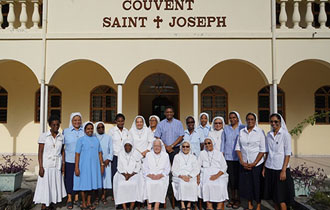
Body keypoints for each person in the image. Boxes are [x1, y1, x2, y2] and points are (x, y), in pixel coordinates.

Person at [33, 115, 67, 210]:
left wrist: (63, 164)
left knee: (54, 185)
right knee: (45, 185)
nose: (55, 126)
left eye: (57, 124)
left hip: (57, 165)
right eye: (53, 125)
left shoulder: (61, 137)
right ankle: (44, 205)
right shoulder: (44, 136)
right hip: (46, 165)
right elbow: (40, 152)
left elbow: (62, 151)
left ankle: (51, 203)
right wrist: (40, 167)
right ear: (50, 125)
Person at [263, 113, 294, 210]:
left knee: (281, 198)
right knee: (274, 197)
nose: (273, 123)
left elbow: (287, 153)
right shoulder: (269, 135)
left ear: (280, 122)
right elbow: (267, 152)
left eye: (276, 121)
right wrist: (264, 167)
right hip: (270, 168)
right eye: (271, 121)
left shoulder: (285, 135)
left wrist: (284, 170)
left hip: (280, 169)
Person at [235, 113, 266, 210]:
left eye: (252, 119)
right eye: (248, 119)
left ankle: (258, 205)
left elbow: (263, 150)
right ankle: (249, 204)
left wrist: (255, 163)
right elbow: (238, 148)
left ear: (255, 120)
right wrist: (242, 161)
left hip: (256, 164)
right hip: (245, 163)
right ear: (246, 120)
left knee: (257, 185)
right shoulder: (241, 132)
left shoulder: (260, 132)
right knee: (247, 185)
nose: (250, 121)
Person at [73, 122, 104, 210]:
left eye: (91, 129)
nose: (90, 130)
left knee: (91, 185)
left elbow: (99, 153)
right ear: (85, 130)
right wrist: (76, 167)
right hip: (84, 166)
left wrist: (101, 164)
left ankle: (89, 202)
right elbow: (77, 154)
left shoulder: (96, 139)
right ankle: (83, 203)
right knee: (84, 185)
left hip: (94, 166)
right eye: (88, 129)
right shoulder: (81, 140)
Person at [220, 111, 245, 209]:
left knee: (238, 180)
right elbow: (223, 142)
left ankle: (238, 200)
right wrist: (222, 154)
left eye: (234, 117)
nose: (232, 119)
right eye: (230, 118)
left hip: (239, 158)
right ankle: (232, 198)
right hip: (228, 157)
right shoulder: (226, 129)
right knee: (231, 180)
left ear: (238, 118)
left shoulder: (242, 128)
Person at [113, 139, 144, 210]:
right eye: (125, 146)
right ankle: (124, 207)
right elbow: (119, 166)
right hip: (122, 173)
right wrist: (124, 174)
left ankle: (131, 207)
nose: (127, 147)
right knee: (121, 184)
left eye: (129, 146)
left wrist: (130, 175)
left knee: (134, 184)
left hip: (134, 174)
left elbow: (138, 166)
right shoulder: (120, 153)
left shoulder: (136, 153)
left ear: (132, 146)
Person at [198, 137, 228, 210]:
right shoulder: (202, 153)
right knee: (206, 184)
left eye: (209, 143)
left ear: (212, 143)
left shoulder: (219, 153)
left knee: (221, 184)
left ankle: (219, 206)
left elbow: (224, 166)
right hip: (205, 172)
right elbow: (197, 166)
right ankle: (209, 206)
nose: (207, 145)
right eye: (205, 143)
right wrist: (198, 177)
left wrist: (216, 176)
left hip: (218, 173)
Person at [63, 112, 84, 209]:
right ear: (71, 121)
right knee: (69, 179)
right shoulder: (66, 131)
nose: (77, 122)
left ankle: (77, 198)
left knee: (79, 179)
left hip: (81, 160)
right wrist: (63, 162)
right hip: (69, 159)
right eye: (75, 120)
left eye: (79, 120)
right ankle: (69, 198)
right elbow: (62, 148)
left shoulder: (84, 131)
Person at [172, 140, 200, 210]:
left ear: (190, 147)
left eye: (187, 146)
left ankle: (189, 204)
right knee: (182, 183)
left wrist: (189, 176)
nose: (185, 148)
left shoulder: (193, 157)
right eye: (183, 146)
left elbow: (196, 169)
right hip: (179, 176)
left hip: (190, 176)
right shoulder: (177, 156)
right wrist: (182, 176)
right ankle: (182, 203)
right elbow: (174, 169)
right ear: (181, 147)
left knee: (193, 183)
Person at [143, 139, 171, 210]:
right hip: (150, 175)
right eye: (155, 146)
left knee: (160, 183)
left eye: (158, 146)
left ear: (161, 147)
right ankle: (149, 205)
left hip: (161, 176)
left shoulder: (165, 155)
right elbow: (144, 168)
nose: (156, 147)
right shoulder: (148, 155)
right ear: (152, 146)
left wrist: (160, 175)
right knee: (148, 183)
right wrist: (150, 175)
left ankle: (156, 206)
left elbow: (167, 169)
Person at [95, 122, 113, 205]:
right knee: (96, 180)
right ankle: (96, 197)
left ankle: (103, 196)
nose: (101, 128)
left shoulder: (108, 137)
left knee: (105, 180)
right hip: (96, 162)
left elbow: (111, 149)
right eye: (99, 127)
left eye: (102, 127)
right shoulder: (94, 137)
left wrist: (108, 159)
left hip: (106, 162)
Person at [108, 113, 131, 183]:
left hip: (124, 156)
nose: (120, 123)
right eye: (119, 121)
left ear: (124, 121)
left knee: (123, 173)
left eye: (122, 121)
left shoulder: (126, 131)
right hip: (115, 155)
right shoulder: (112, 131)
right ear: (116, 121)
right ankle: (114, 191)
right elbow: (109, 144)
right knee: (114, 173)